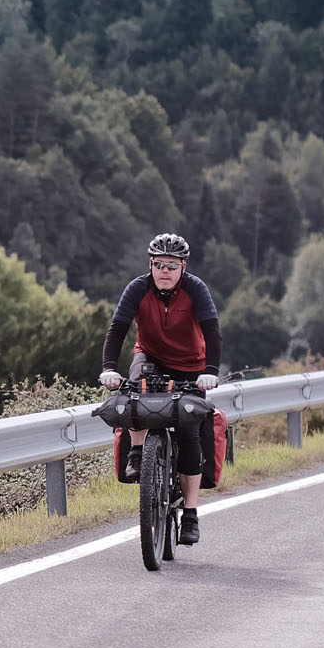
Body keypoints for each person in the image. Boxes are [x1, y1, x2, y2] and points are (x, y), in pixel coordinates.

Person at [99, 232, 220, 545]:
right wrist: (109, 369)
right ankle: (139, 451)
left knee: (190, 432)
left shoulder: (196, 290)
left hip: (192, 365)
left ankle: (191, 513)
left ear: (183, 268)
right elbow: (117, 331)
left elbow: (212, 331)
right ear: (150, 265)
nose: (165, 271)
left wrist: (210, 371)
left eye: (172, 265)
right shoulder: (137, 289)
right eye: (159, 264)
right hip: (150, 357)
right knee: (135, 394)